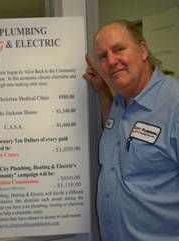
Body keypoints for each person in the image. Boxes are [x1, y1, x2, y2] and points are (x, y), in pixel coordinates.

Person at [83, 19, 179, 241]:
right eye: (103, 57)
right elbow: (121, 134)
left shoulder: (173, 105)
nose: (111, 61)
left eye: (118, 49)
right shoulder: (120, 102)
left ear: (143, 50)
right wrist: (102, 91)